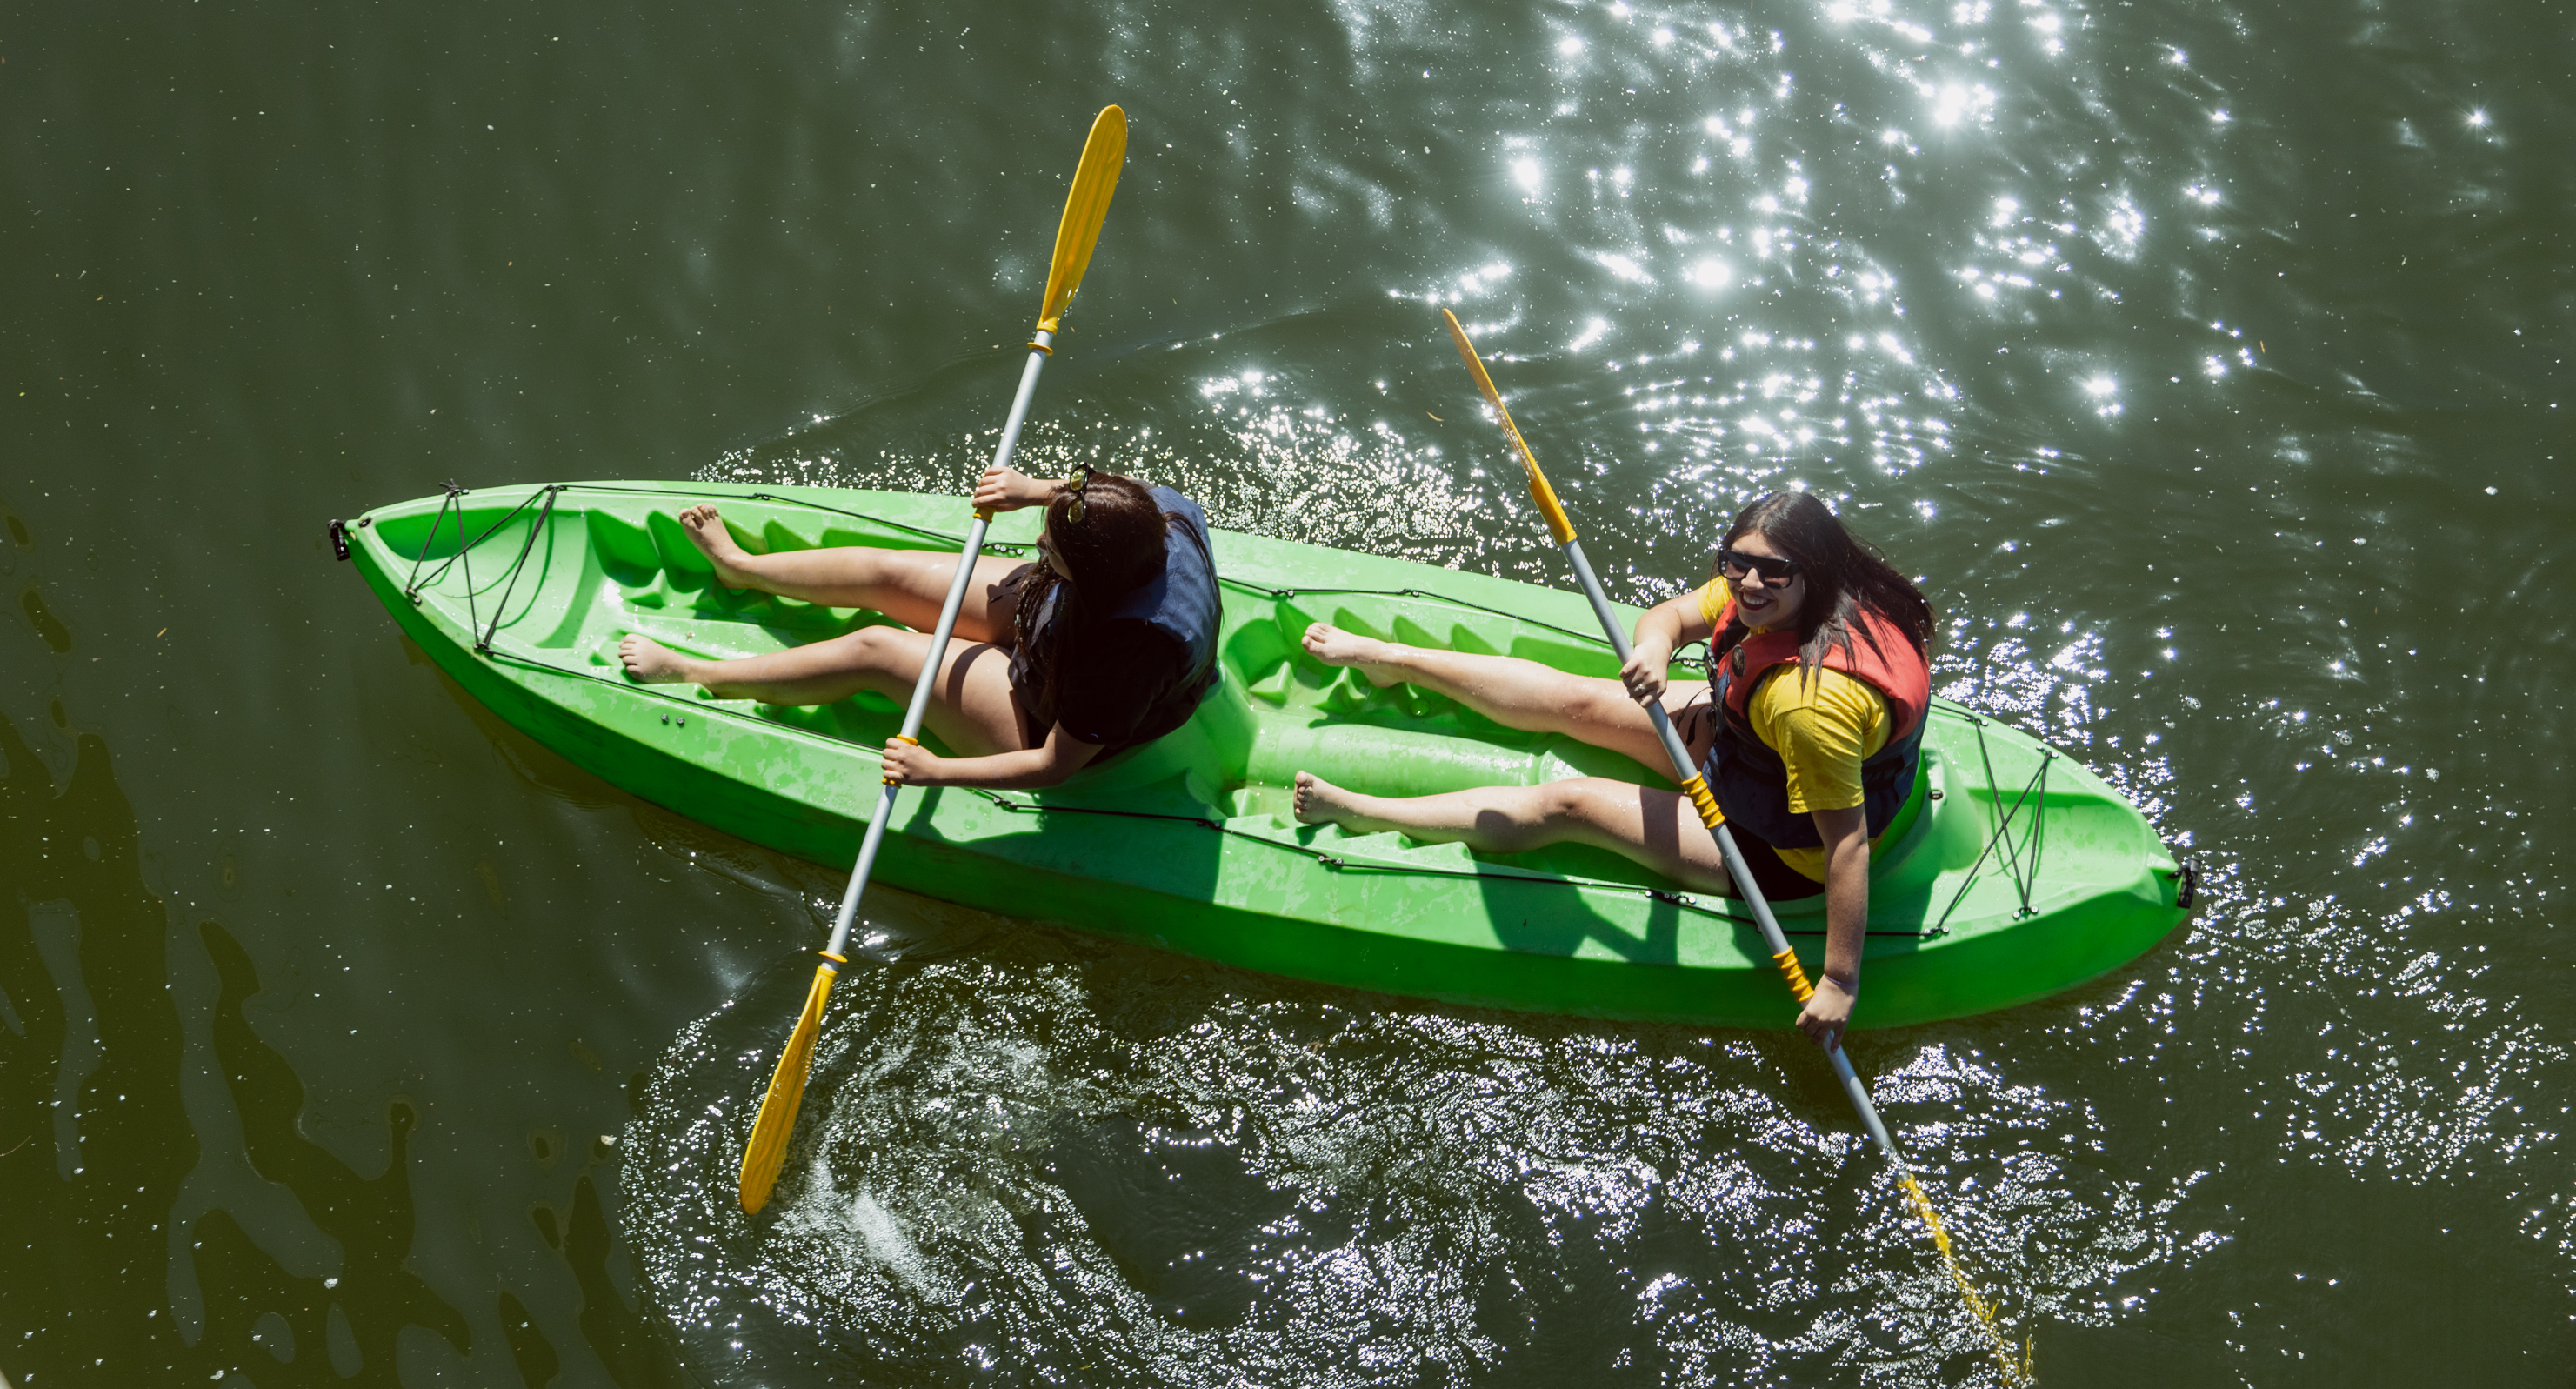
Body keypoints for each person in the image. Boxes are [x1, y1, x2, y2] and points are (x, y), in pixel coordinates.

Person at [1290, 490, 1931, 1047]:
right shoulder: (1773, 591)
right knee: (1582, 699)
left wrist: (1840, 981)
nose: (1750, 584)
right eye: (1737, 562)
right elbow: (1672, 617)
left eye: (1773, 571)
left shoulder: (1808, 707)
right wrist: (1654, 651)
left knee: (1569, 803)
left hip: (1774, 848)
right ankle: (1390, 658)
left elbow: (1844, 844)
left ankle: (1364, 812)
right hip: (1747, 746)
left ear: (1813, 572)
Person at [618, 465, 1222, 791]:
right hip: (1067, 615)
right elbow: (1095, 493)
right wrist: (1032, 490)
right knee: (891, 575)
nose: (1039, 545)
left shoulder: (1123, 659)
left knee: (880, 649)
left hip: (1049, 718)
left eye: (1054, 549)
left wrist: (939, 772)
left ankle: (699, 673)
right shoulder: (1155, 514)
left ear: (1089, 572)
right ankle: (743, 570)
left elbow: (1054, 767)